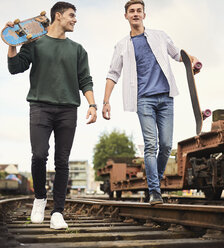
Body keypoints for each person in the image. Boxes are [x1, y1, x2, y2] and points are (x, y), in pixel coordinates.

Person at [6, 1, 97, 229]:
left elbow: (85, 79)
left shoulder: (78, 49)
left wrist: (92, 105)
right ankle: (39, 198)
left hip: (68, 109)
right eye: (71, 15)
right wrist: (12, 43)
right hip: (40, 107)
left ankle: (57, 212)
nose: (75, 20)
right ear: (58, 16)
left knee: (62, 161)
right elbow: (15, 67)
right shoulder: (35, 43)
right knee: (39, 155)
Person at [102, 0, 200, 205]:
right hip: (143, 100)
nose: (135, 14)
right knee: (150, 145)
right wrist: (105, 101)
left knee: (165, 146)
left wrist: (191, 60)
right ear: (126, 16)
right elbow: (113, 73)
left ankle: (153, 181)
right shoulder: (122, 45)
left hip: (165, 97)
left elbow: (177, 54)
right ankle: (155, 191)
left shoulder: (160, 36)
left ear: (144, 15)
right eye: (132, 11)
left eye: (139, 11)